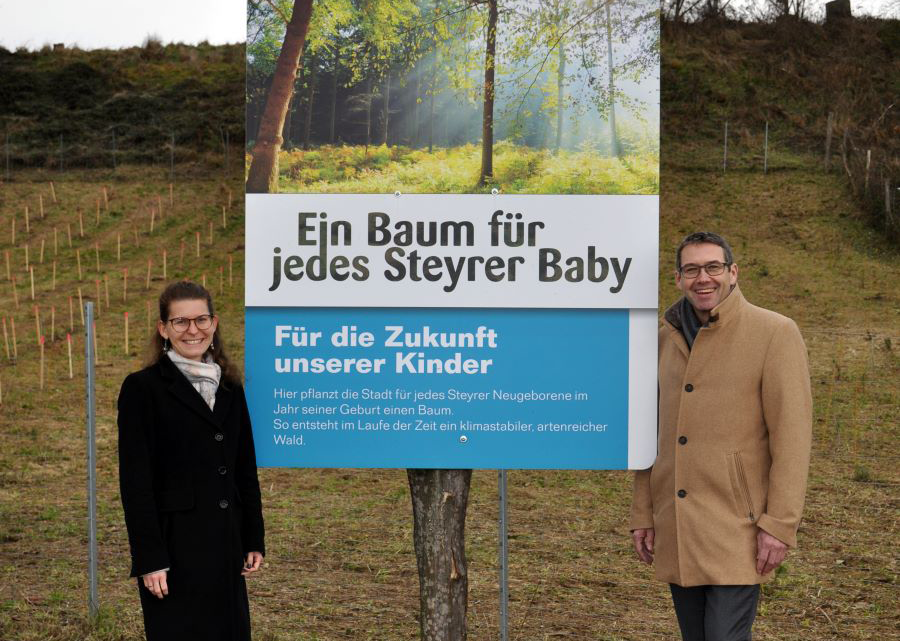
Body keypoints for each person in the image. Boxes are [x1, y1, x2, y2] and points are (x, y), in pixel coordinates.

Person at [630, 232, 812, 641]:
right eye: (691, 269)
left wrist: (780, 525)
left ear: (733, 273)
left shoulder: (774, 333)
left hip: (739, 529)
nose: (703, 278)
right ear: (678, 278)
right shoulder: (664, 337)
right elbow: (651, 435)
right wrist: (644, 512)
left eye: (713, 267)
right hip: (678, 525)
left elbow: (792, 440)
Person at [118, 280, 265, 641]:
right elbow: (135, 482)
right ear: (163, 329)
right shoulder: (142, 388)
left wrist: (253, 537)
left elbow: (243, 465)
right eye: (180, 322)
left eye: (201, 320)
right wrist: (150, 558)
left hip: (226, 544)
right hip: (175, 549)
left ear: (214, 324)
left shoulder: (231, 385)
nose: (192, 330)